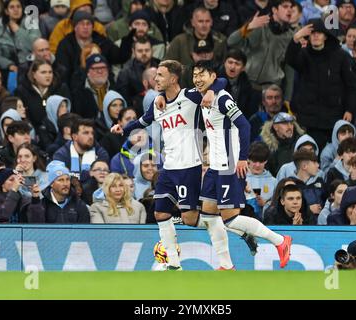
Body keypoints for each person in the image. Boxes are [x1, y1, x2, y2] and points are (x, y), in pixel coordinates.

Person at [111, 59, 238, 270]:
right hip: (168, 167)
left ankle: (229, 238)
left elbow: (222, 80)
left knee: (190, 219)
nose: (155, 79)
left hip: (189, 166)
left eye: (160, 75)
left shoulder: (190, 96)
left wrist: (211, 92)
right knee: (160, 213)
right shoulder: (158, 103)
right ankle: (173, 263)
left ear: (173, 78)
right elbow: (143, 121)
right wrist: (124, 129)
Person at [192, 60, 292, 268]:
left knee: (230, 219)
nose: (198, 78)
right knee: (209, 216)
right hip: (214, 167)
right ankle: (226, 265)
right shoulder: (203, 95)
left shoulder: (222, 98)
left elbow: (244, 125)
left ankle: (280, 241)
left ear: (212, 76)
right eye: (195, 75)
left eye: (202, 74)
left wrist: (242, 158)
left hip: (229, 166)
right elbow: (219, 81)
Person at [287, 18, 356, 151]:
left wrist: (349, 109)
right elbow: (290, 60)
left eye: (319, 33)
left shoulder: (340, 56)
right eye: (312, 33)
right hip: (308, 118)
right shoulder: (304, 54)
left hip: (334, 116)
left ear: (326, 36)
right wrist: (296, 37)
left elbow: (351, 85)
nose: (315, 36)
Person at [227, 0, 295, 98]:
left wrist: (287, 98)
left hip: (271, 91)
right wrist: (248, 27)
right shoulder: (258, 25)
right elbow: (231, 42)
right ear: (275, 10)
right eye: (285, 7)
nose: (289, 10)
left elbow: (289, 69)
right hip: (246, 85)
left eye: (291, 8)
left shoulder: (291, 37)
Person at [14, 59, 71, 130]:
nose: (48, 75)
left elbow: (68, 113)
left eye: (50, 72)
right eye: (43, 72)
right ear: (34, 74)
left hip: (58, 130)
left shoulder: (61, 89)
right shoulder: (22, 91)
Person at [0, 0, 41, 73]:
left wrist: (18, 31)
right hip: (8, 69)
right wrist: (9, 64)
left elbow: (36, 45)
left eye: (18, 6)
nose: (16, 9)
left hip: (30, 65)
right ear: (6, 11)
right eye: (12, 7)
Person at [53, 118, 109, 183]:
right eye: (86, 133)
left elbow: (101, 177)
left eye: (92, 133)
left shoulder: (101, 153)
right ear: (74, 137)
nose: (91, 136)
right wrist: (89, 174)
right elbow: (61, 179)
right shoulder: (61, 155)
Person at [116, 37, 161, 109]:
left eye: (147, 50)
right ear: (133, 51)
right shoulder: (126, 72)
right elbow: (124, 100)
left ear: (152, 50)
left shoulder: (161, 66)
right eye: (140, 51)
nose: (144, 53)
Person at [217, 49, 259, 121]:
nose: (233, 67)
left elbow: (249, 113)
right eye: (230, 62)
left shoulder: (249, 88)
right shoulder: (213, 82)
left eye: (237, 64)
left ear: (243, 68)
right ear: (224, 63)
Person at [260, 112, 305, 176]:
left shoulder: (301, 143)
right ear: (275, 127)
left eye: (291, 123)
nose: (289, 127)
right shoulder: (267, 148)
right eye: (285, 123)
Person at [244, 142, 277, 221]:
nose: (257, 165)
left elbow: (278, 206)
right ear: (248, 160)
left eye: (261, 161)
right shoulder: (240, 179)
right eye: (254, 161)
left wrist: (265, 205)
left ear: (266, 161)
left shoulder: (274, 182)